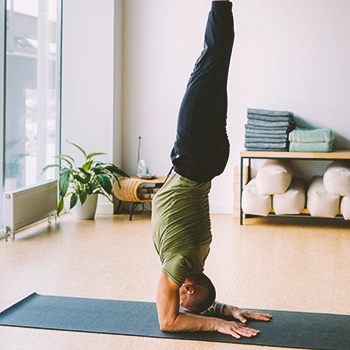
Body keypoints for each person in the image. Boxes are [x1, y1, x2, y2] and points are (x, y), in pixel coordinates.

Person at [151, 0, 272, 339]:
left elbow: (201, 295)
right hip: (195, 157)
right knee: (211, 60)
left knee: (217, 66)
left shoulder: (198, 259)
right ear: (186, 288)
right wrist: (218, 322)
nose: (178, 298)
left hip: (209, 161)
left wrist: (227, 308)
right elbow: (168, 322)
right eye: (182, 296)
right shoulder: (179, 266)